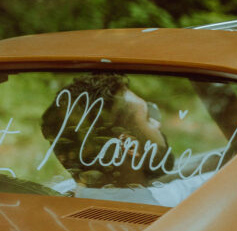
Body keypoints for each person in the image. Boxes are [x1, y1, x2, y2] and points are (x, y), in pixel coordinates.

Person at [39, 73, 210, 207]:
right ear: (130, 145)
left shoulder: (56, 193)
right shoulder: (173, 220)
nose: (158, 124)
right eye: (149, 117)